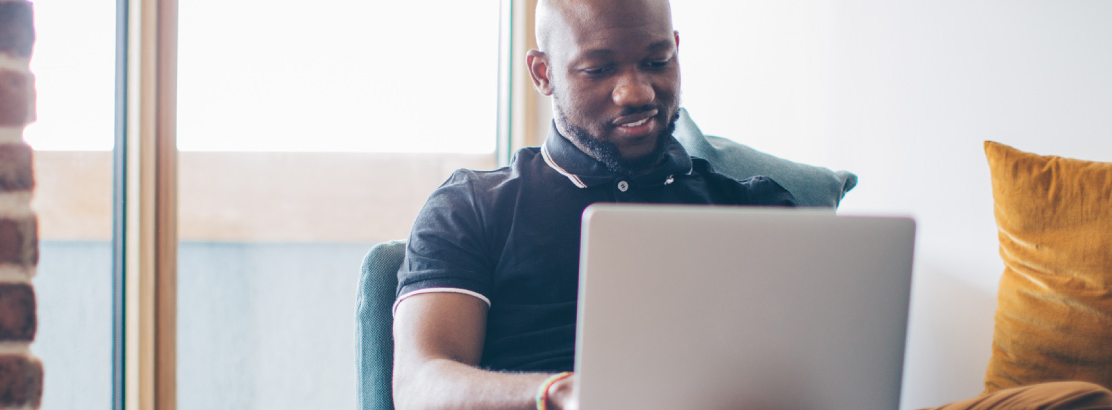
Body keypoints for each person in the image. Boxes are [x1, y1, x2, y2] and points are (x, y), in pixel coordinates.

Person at [388, 1, 1112, 410]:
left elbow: (829, 368)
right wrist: (559, 394)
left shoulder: (752, 203)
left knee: (1068, 399)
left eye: (655, 61)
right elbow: (421, 382)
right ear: (543, 73)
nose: (637, 91)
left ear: (677, 47)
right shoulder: (474, 206)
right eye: (600, 69)